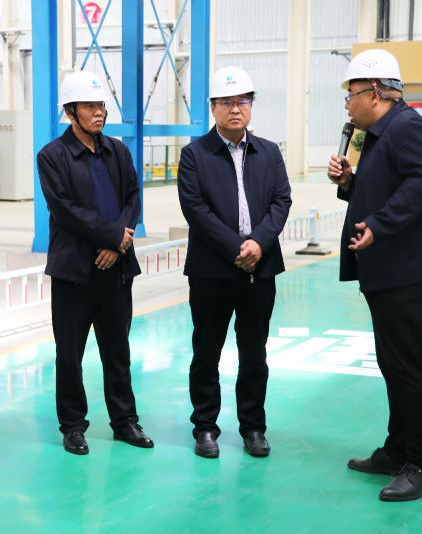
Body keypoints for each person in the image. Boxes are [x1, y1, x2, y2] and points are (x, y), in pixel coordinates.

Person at [327, 48, 422, 501]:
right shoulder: (380, 135)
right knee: (393, 362)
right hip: (389, 267)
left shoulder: (408, 128)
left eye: (351, 95)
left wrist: (379, 226)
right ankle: (398, 449)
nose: (347, 105)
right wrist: (350, 182)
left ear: (375, 93)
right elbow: (385, 187)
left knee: (407, 365)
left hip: (410, 269)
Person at [37, 70, 154, 455]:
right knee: (70, 354)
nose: (99, 112)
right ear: (71, 112)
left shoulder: (118, 151)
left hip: (116, 269)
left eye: (101, 105)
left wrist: (119, 244)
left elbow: (132, 198)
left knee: (118, 350)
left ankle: (125, 421)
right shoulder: (52, 156)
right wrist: (111, 237)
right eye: (89, 106)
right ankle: (73, 425)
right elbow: (64, 209)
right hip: (74, 271)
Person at [177, 66, 291, 459]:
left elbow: (281, 201)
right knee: (206, 352)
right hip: (212, 271)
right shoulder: (194, 155)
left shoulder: (269, 152)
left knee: (254, 353)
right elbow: (195, 209)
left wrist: (259, 242)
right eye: (226, 102)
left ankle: (253, 428)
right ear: (213, 108)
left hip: (260, 269)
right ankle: (205, 427)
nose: (235, 109)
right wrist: (237, 247)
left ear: (251, 105)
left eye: (243, 101)